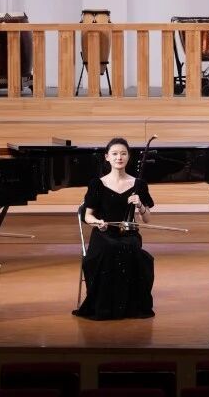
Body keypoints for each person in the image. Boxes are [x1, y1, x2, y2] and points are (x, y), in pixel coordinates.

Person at [73, 137, 156, 320]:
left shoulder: (139, 184)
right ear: (107, 157)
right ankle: (105, 306)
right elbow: (87, 216)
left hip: (129, 234)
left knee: (130, 248)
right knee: (110, 248)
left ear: (128, 157)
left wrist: (140, 205)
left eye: (123, 153)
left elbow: (147, 219)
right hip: (103, 234)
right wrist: (98, 223)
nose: (119, 157)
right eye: (115, 154)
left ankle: (128, 306)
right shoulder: (97, 183)